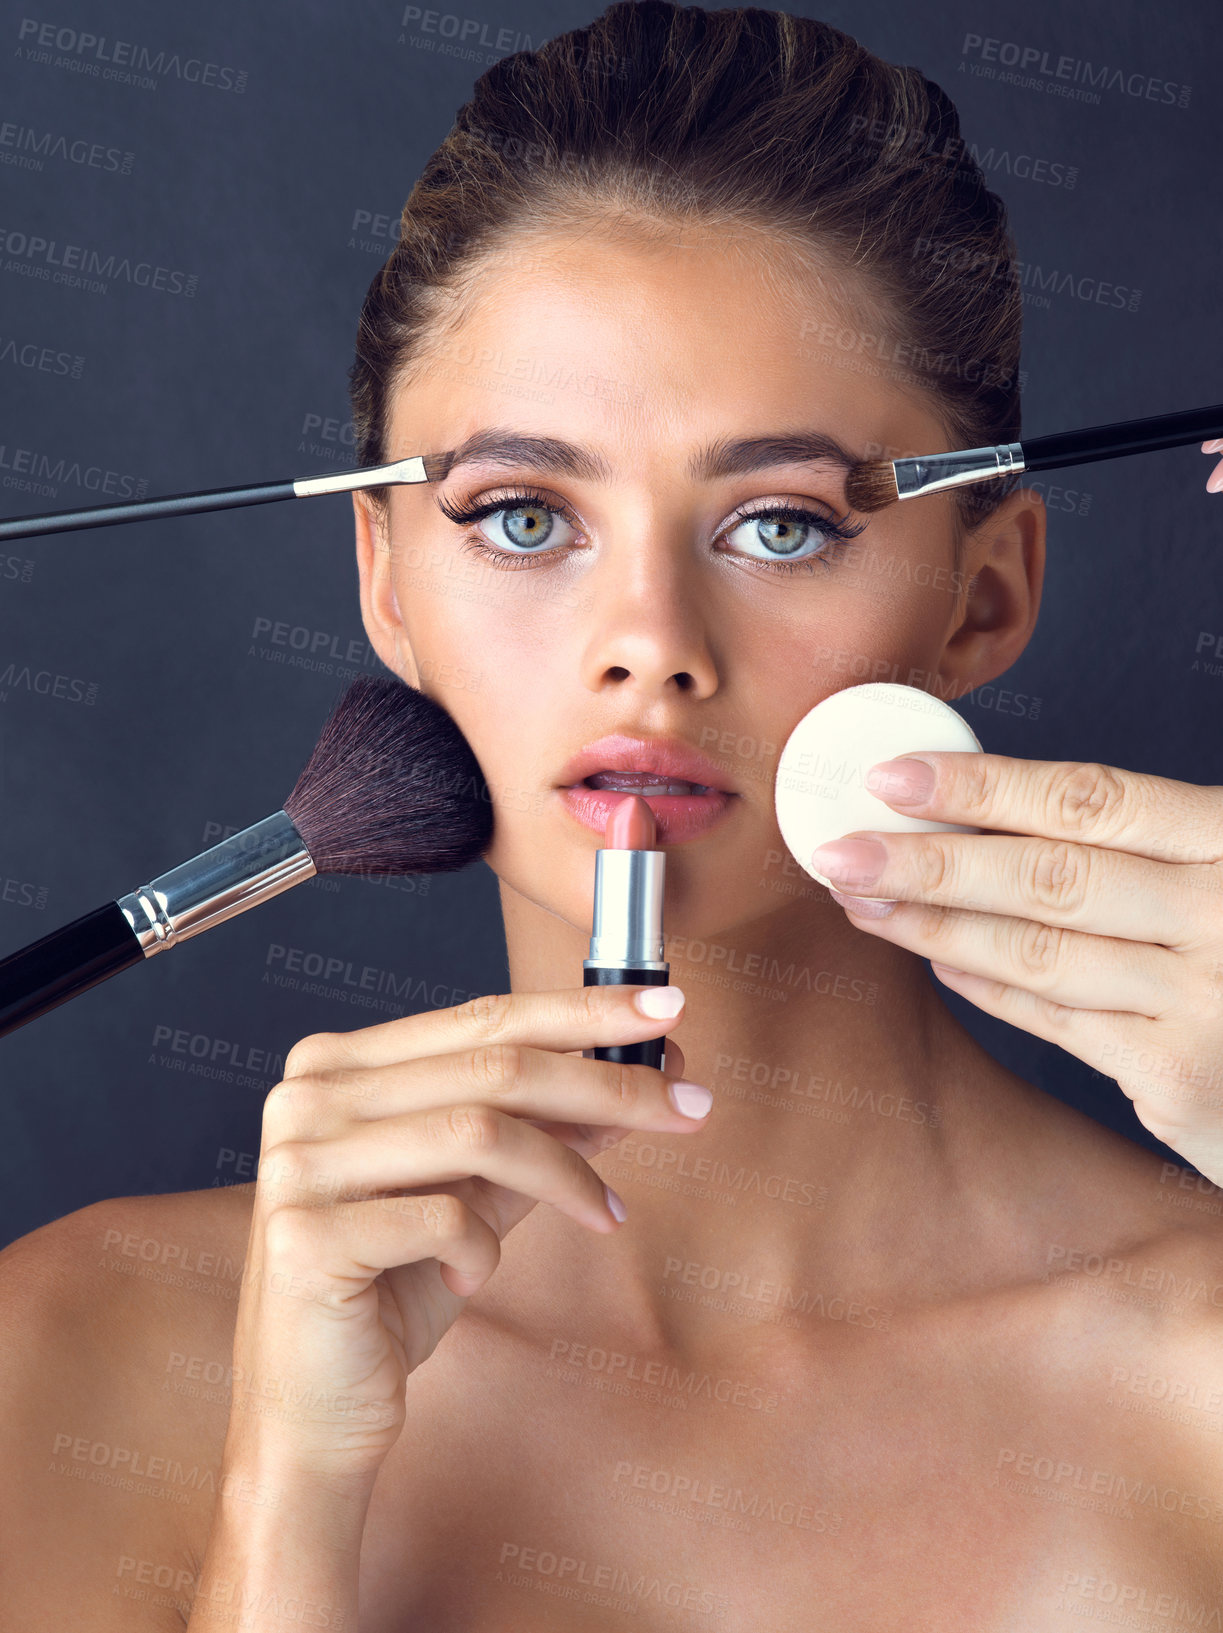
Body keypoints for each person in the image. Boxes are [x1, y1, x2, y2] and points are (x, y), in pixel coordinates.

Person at [3, 3, 1222, 1627]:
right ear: (382, 581)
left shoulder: (1194, 1363)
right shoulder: (72, 1351)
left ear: (983, 596)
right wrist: (286, 1512)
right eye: (522, 515)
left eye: (781, 526)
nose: (649, 636)